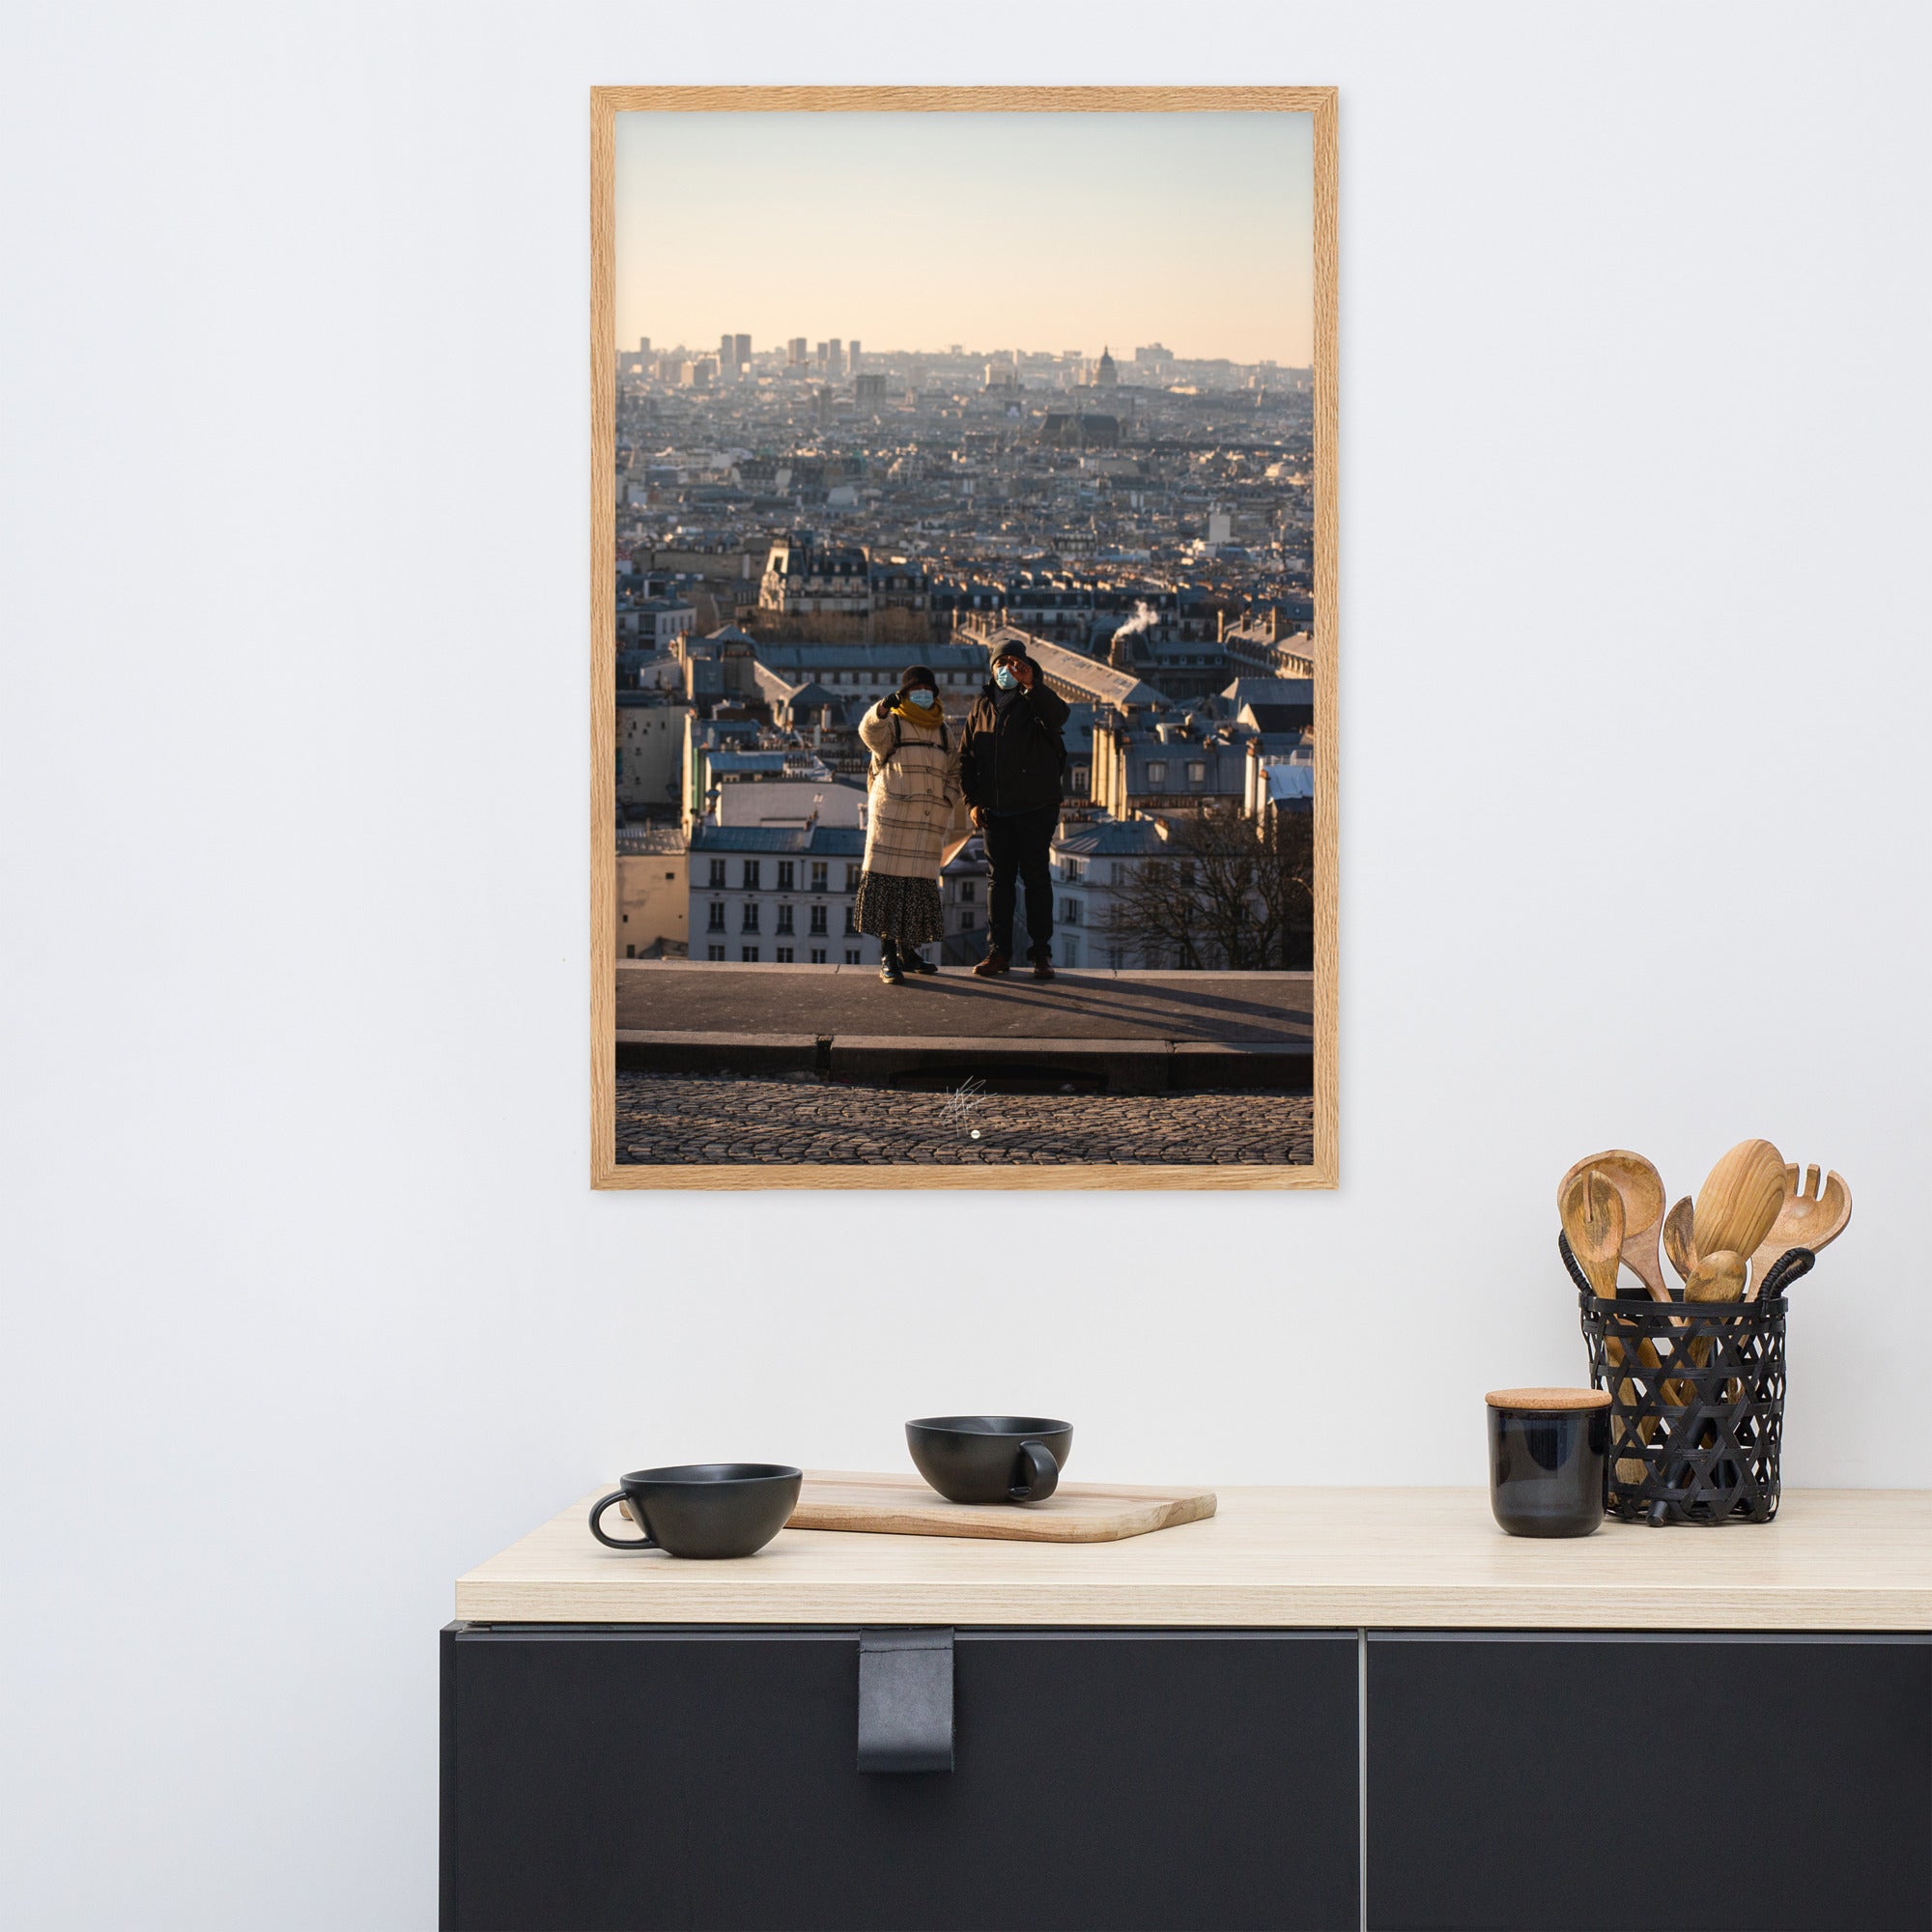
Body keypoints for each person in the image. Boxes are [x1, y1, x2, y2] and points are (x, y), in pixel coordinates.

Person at [957, 641, 1070, 980]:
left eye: (1014, 663)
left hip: (1035, 808)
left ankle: (1040, 953)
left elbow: (1059, 716)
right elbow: (966, 757)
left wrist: (1032, 685)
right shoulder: (981, 705)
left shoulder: (1035, 700)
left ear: (1027, 666)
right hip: (995, 810)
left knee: (1036, 881)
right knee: (999, 883)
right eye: (1000, 663)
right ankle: (999, 952)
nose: (1007, 669)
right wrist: (972, 802)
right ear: (991, 669)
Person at [854, 665, 962, 984]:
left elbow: (955, 769)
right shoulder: (894, 725)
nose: (923, 696)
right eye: (916, 692)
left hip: (927, 823)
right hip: (894, 820)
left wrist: (947, 799)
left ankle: (909, 953)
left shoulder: (943, 730)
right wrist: (883, 707)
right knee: (890, 887)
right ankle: (889, 956)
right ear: (904, 694)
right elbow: (869, 733)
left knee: (915, 890)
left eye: (927, 691)